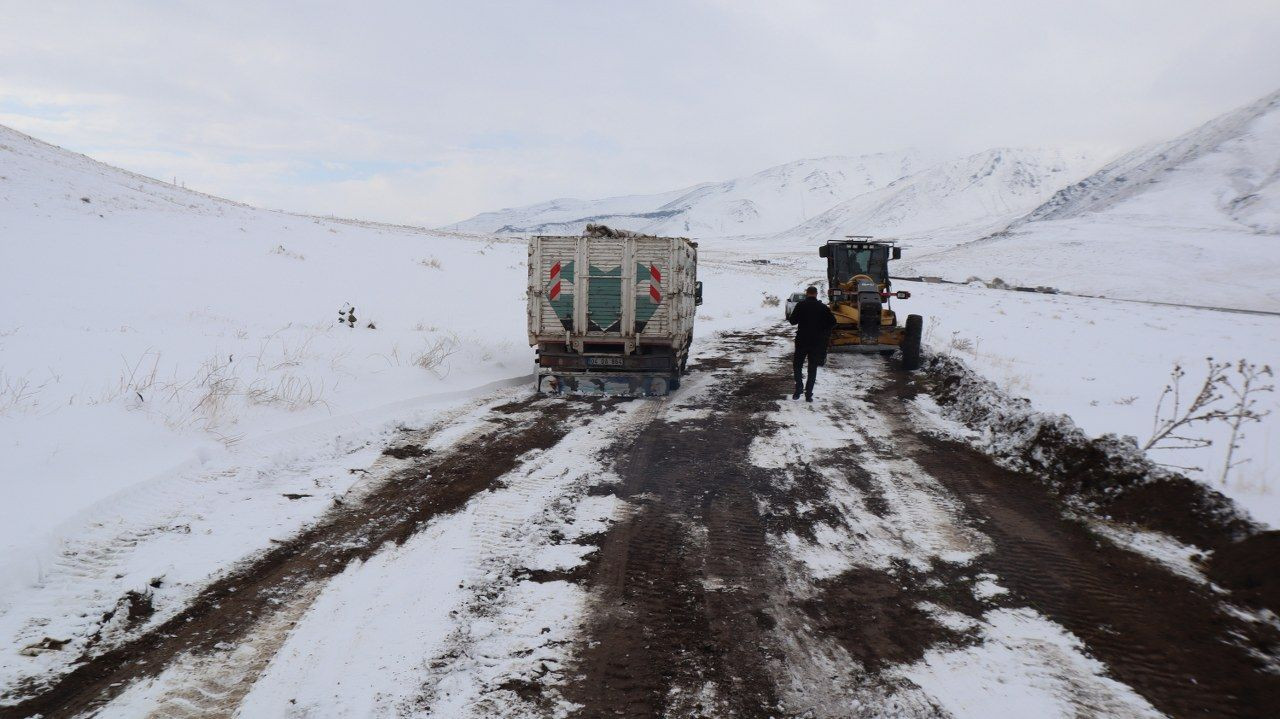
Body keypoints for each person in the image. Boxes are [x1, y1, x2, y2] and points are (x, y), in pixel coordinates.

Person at [788, 286, 836, 402]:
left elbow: (792, 321)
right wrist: (823, 330)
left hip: (802, 341)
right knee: (812, 368)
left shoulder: (800, 305)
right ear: (816, 294)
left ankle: (799, 387)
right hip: (816, 342)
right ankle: (808, 394)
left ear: (806, 293)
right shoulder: (823, 308)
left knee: (797, 365)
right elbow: (833, 322)